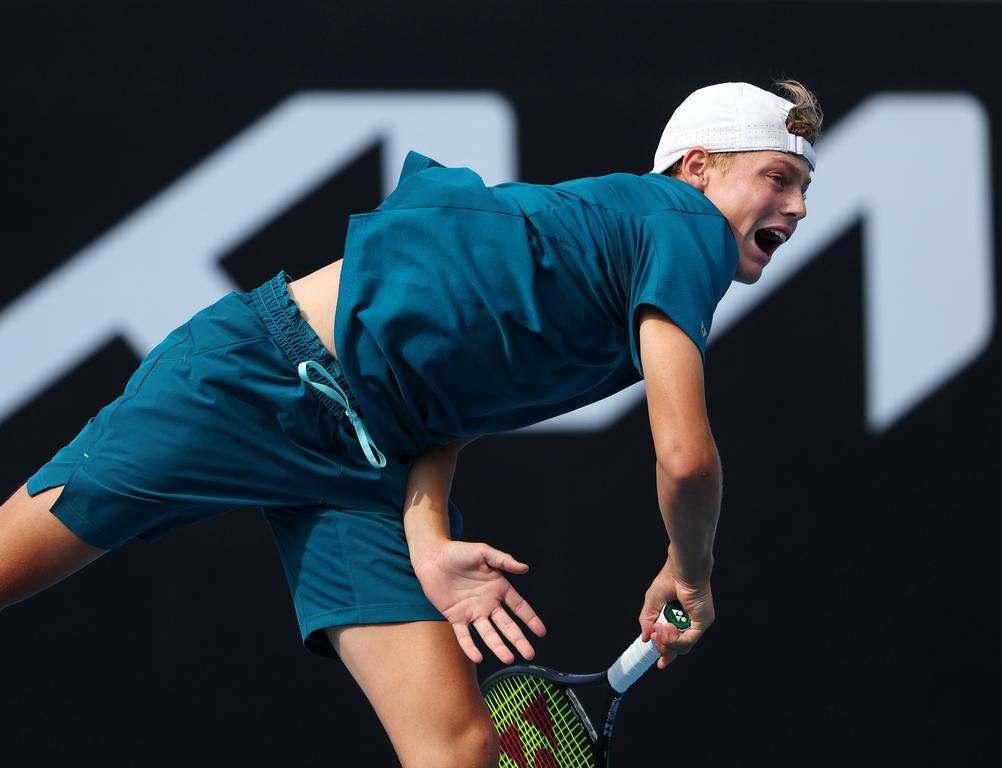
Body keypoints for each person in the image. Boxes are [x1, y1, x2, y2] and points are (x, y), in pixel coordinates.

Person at [0, 80, 821, 767]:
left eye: (806, 190)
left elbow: (455, 396)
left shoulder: (619, 285)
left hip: (366, 470)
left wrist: (425, 530)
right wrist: (691, 571)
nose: (797, 206)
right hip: (258, 378)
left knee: (459, 753)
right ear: (699, 168)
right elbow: (685, 459)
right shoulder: (684, 225)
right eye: (778, 177)